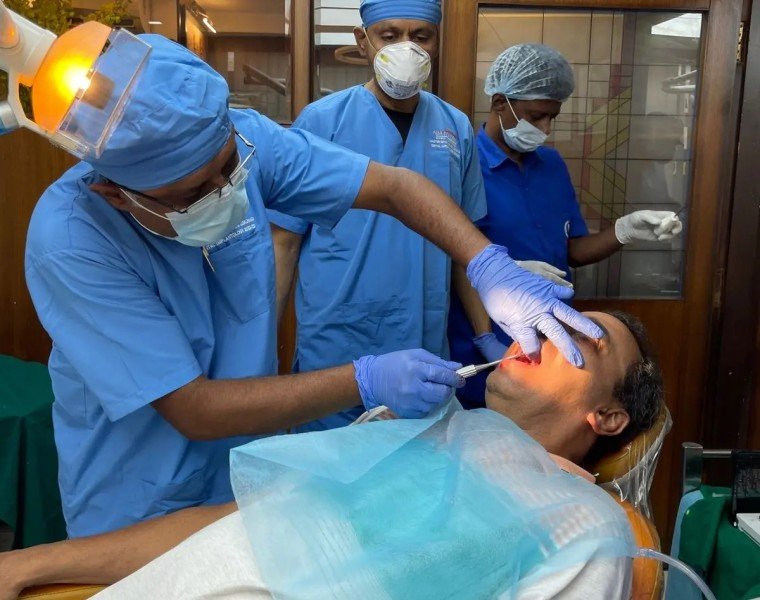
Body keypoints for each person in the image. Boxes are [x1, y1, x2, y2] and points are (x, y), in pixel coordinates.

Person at [24, 35, 602, 538]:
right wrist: (364, 378)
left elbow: (396, 187)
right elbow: (194, 408)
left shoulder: (246, 139)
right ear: (115, 193)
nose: (228, 188)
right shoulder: (73, 240)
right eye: (197, 190)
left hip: (247, 469)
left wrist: (487, 265)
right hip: (138, 492)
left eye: (229, 164)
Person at [0, 311, 663, 599]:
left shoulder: (584, 527)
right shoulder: (412, 432)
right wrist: (33, 562)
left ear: (607, 417)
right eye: (551, 319)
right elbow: (240, 521)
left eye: (583, 337)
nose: (546, 330)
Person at [268, 0, 487, 432]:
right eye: (390, 35)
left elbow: (463, 245)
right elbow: (285, 242)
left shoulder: (455, 127)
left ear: (436, 42)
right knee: (330, 465)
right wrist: (264, 348)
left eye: (421, 36)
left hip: (422, 343)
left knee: (413, 464)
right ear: (362, 41)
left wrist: (485, 332)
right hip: (336, 344)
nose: (407, 47)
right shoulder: (323, 122)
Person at [449, 44, 683, 408]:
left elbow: (572, 251)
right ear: (499, 103)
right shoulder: (464, 166)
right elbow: (451, 256)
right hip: (488, 341)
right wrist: (488, 324)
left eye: (552, 117)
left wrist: (624, 231)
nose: (545, 128)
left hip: (554, 339)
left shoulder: (551, 165)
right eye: (536, 116)